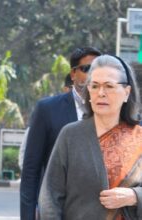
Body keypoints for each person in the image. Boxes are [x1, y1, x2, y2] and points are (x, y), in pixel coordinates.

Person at [39, 55, 142, 219]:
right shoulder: (71, 135)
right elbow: (50, 197)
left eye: (109, 86)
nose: (101, 93)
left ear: (126, 92)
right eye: (94, 86)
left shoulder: (139, 139)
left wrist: (134, 196)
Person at [20, 47, 102, 220]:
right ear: (73, 74)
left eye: (98, 68)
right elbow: (31, 170)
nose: (93, 74)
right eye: (87, 68)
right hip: (57, 211)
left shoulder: (110, 110)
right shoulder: (48, 109)